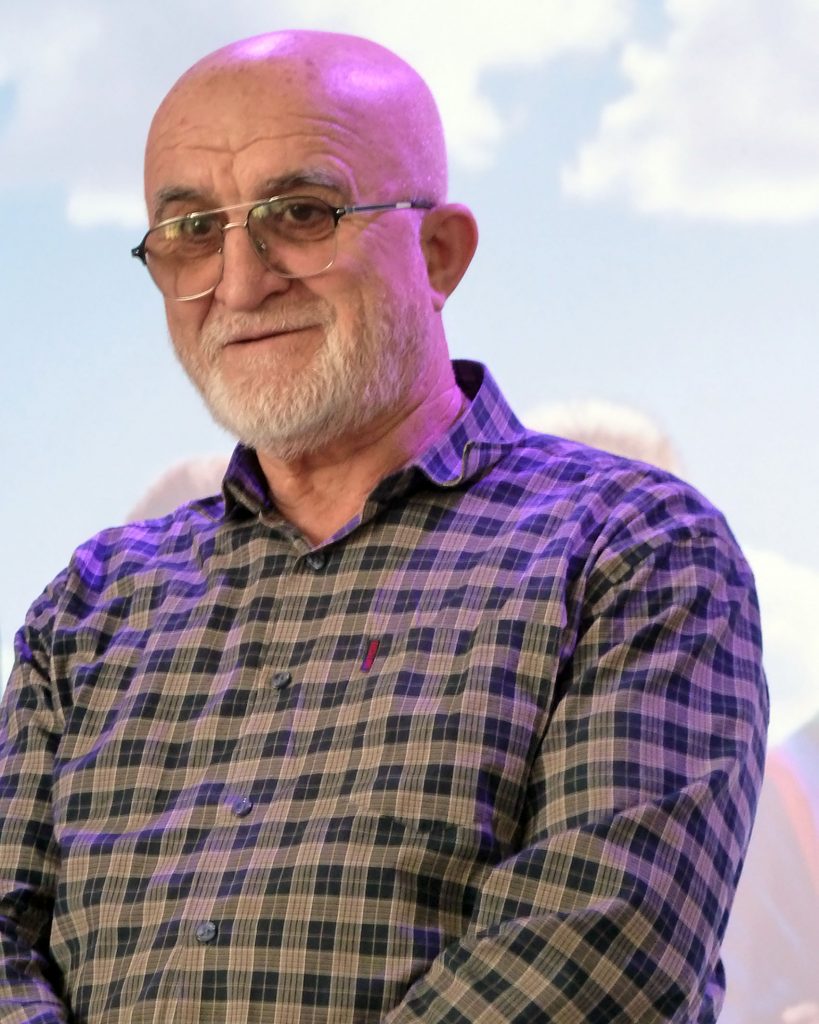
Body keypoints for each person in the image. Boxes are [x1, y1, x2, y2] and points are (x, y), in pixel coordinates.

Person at [0, 30, 767, 1024]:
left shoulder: (634, 554)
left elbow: (588, 963)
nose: (240, 283)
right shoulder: (94, 604)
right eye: (189, 231)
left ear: (438, 253)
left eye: (302, 213)